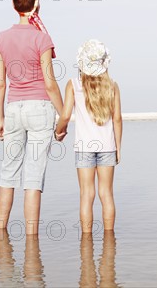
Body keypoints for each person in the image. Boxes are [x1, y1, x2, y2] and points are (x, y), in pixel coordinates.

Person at [0, 0, 63, 235]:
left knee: (7, 174)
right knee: (33, 177)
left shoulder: (1, 38)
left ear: (15, 7)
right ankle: (32, 243)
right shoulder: (41, 38)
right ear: (36, 6)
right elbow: (49, 82)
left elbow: (0, 82)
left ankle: (1, 237)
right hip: (39, 108)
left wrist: (0, 117)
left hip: (13, 107)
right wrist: (64, 113)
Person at [55, 39, 122, 233]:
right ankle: (110, 240)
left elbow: (66, 115)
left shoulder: (74, 84)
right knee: (106, 194)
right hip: (107, 146)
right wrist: (118, 147)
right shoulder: (112, 86)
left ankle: (86, 241)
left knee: (86, 195)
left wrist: (58, 131)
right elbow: (117, 119)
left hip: (84, 147)